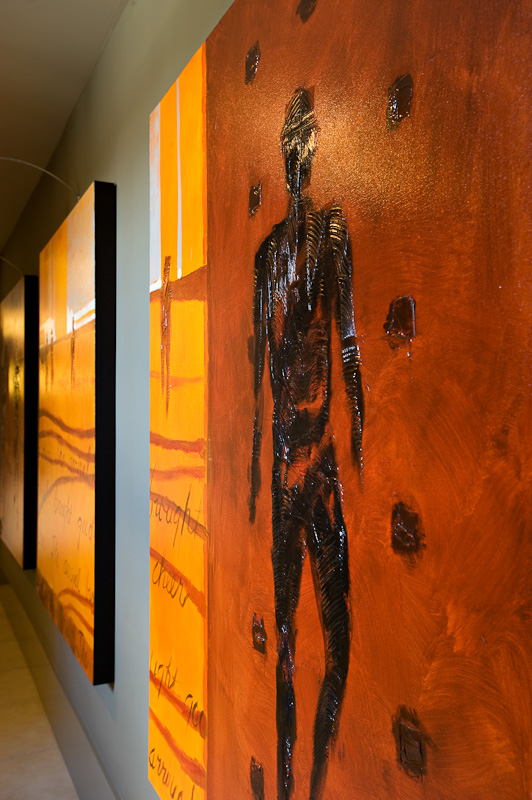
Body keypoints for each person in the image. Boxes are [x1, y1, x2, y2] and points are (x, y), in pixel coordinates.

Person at [249, 87, 364, 800]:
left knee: (331, 646)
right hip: (299, 474)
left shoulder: (330, 233)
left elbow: (347, 345)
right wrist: (257, 479)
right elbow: (264, 380)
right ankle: (300, 783)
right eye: (293, 143)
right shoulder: (273, 255)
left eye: (304, 142)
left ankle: (308, 782)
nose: (298, 155)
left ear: (312, 151)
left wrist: (362, 437)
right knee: (295, 645)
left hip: (310, 470)